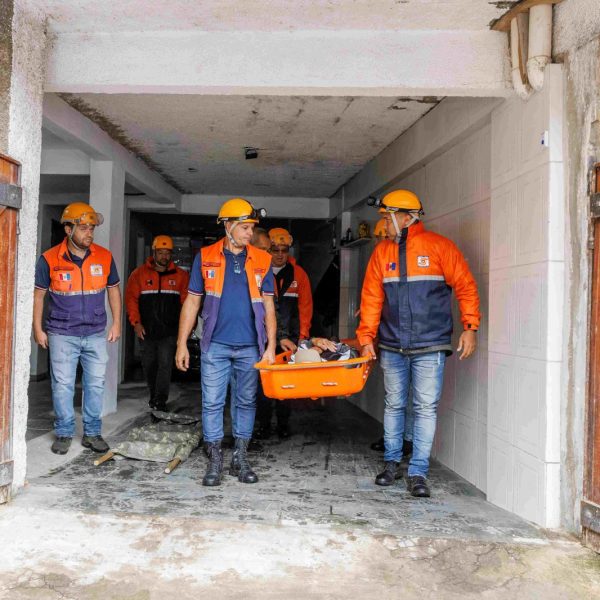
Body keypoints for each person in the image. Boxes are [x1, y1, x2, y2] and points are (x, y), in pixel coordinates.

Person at [357, 189, 480, 497]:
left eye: (387, 218)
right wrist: (366, 337)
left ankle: (418, 472)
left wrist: (470, 327)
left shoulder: (440, 247)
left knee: (424, 408)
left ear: (405, 218)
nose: (384, 225)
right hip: (392, 344)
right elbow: (371, 298)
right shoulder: (381, 253)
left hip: (430, 344)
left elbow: (465, 286)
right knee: (394, 404)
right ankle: (391, 463)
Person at [175, 198, 277, 486]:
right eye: (244, 227)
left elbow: (269, 306)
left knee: (246, 402)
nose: (250, 233)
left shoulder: (263, 259)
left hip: (250, 347)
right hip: (215, 345)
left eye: (251, 228)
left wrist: (270, 346)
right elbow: (192, 302)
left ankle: (240, 458)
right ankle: (215, 460)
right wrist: (181, 343)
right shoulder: (205, 256)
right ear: (228, 226)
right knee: (212, 403)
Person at [32, 202, 121, 455]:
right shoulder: (49, 259)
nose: (89, 233)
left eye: (91, 228)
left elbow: (113, 290)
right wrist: (37, 329)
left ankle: (92, 433)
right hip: (62, 332)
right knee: (63, 385)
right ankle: (64, 432)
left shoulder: (104, 257)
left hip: (95, 332)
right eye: (83, 228)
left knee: (95, 385)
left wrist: (116, 322)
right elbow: (38, 296)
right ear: (68, 229)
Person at [254, 227, 317, 439]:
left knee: (286, 384)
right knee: (262, 384)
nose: (280, 254)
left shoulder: (299, 275)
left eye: (284, 250)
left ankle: (283, 423)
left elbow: (306, 308)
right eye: (275, 250)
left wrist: (303, 338)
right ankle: (263, 424)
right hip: (262, 338)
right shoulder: (259, 271)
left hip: (289, 340)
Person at [125, 235, 189, 412]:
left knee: (165, 364)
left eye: (167, 253)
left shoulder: (181, 276)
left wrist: (184, 328)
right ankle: (154, 395)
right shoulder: (138, 275)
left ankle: (160, 400)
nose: (164, 256)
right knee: (150, 365)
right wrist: (136, 323)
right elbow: (131, 300)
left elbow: (187, 304)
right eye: (160, 252)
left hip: (169, 332)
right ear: (153, 253)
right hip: (146, 331)